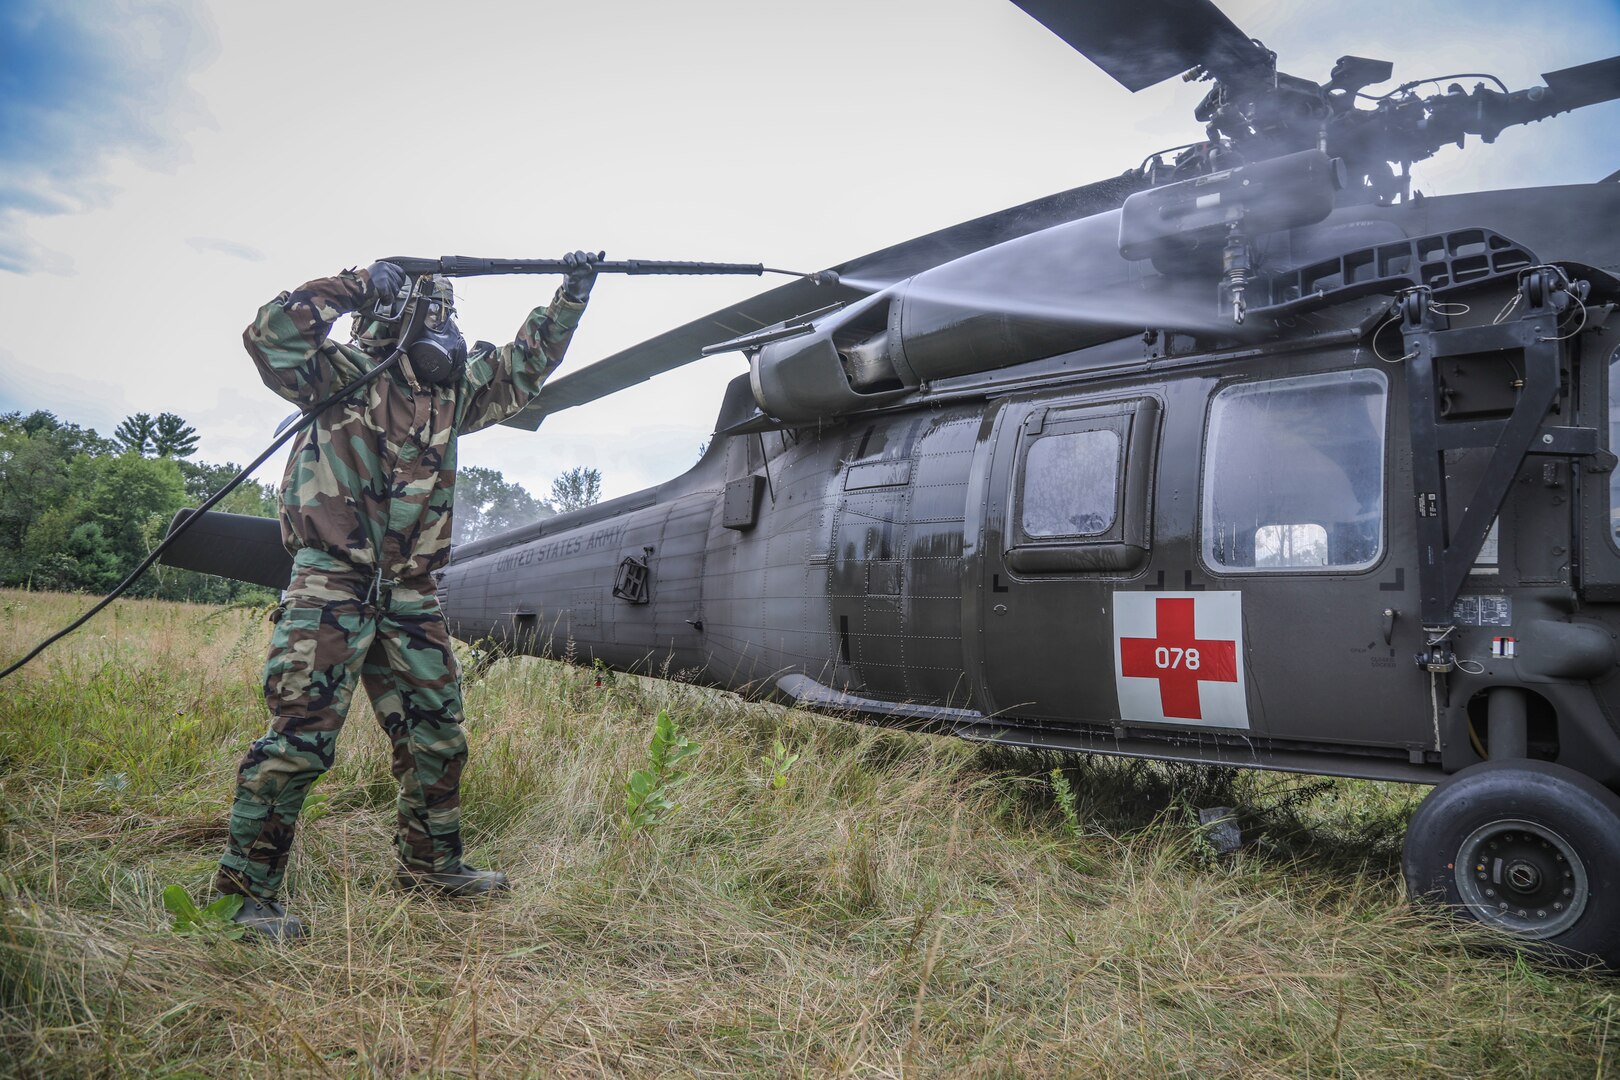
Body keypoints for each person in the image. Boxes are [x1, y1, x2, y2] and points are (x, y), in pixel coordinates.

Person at [215, 251, 601, 940]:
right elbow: (270, 335)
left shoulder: (451, 393)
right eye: (432, 313)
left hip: (409, 592)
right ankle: (242, 894)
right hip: (331, 584)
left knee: (438, 737)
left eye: (449, 313)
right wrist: (353, 285)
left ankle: (431, 866)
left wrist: (571, 294)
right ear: (392, 320)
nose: (447, 328)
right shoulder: (333, 377)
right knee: (300, 742)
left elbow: (522, 368)